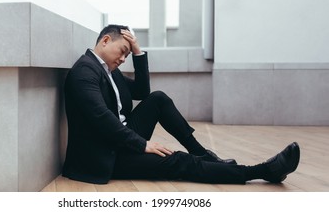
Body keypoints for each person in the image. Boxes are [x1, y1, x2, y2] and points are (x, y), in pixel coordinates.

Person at [62, 24, 300, 185]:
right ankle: (260, 171)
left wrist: (138, 53)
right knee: (177, 161)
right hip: (105, 155)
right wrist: (142, 144)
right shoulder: (85, 72)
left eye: (127, 55)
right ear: (105, 40)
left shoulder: (108, 70)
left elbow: (143, 92)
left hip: (120, 139)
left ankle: (203, 154)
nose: (123, 59)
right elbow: (102, 119)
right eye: (122, 52)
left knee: (158, 99)